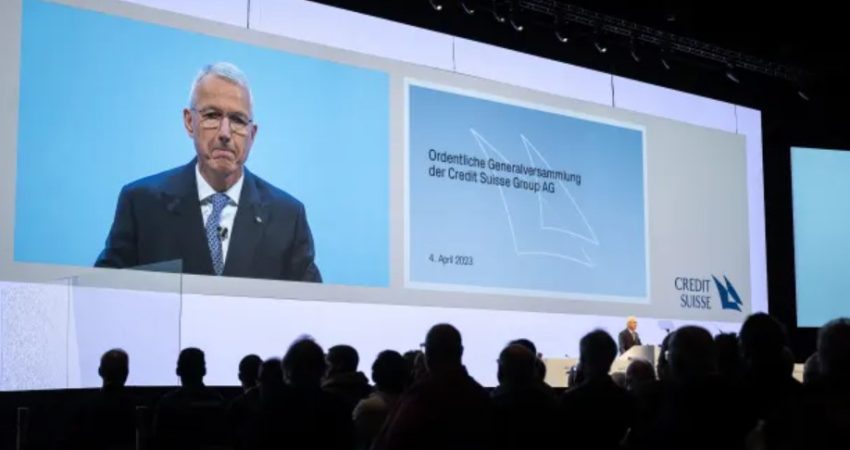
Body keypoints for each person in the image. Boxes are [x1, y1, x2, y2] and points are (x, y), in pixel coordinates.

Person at [95, 62, 321, 282]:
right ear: (189, 122)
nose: (225, 133)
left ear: (252, 135)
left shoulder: (288, 217)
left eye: (238, 120)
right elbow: (101, 294)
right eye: (212, 115)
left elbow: (312, 303)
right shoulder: (141, 204)